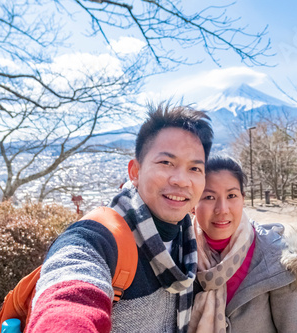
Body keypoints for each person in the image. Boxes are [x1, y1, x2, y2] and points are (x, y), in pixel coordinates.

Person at [26, 103, 213, 333]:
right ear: (135, 171)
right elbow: (68, 298)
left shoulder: (189, 242)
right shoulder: (99, 239)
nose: (182, 180)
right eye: (166, 162)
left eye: (195, 169)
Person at [189, 156, 297, 333]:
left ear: (242, 199)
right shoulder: (178, 254)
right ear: (192, 203)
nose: (222, 209)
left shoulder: (276, 258)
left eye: (231, 196)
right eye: (209, 197)